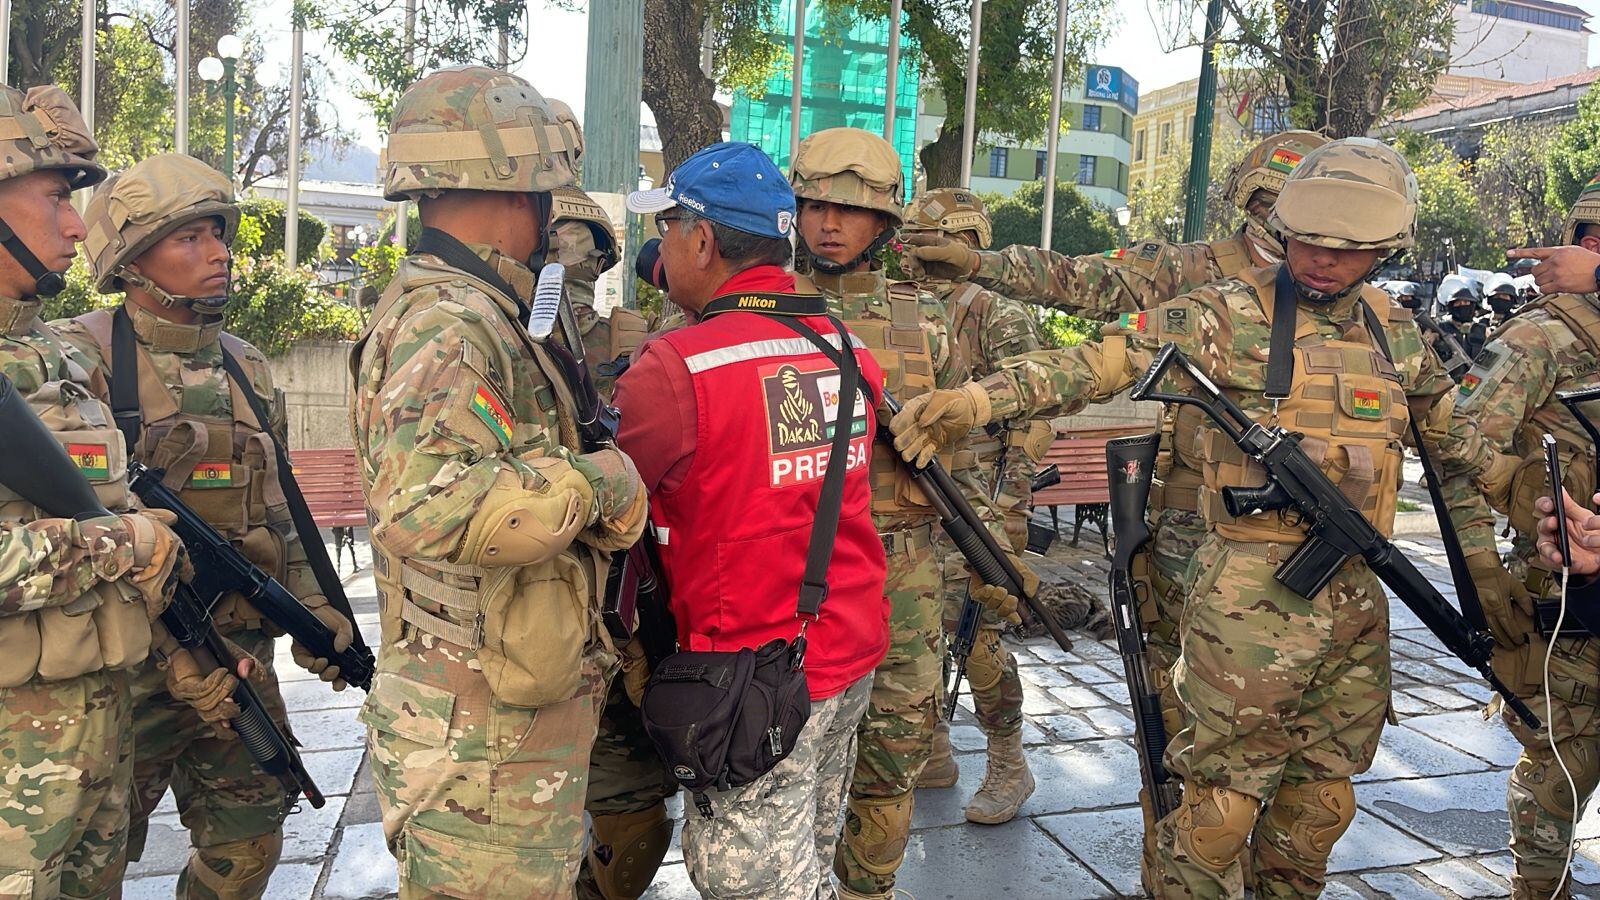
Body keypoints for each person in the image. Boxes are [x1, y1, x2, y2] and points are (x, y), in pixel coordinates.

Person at [890, 137, 1457, 897]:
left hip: (1354, 600)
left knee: (1319, 806)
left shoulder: (1393, 328)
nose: (1322, 258)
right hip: (1238, 585)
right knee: (1212, 805)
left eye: (1349, 247)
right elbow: (1101, 355)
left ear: (1387, 246)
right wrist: (978, 402)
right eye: (1306, 235)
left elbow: (1465, 449)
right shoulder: (1222, 303)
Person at [350, 67, 647, 899]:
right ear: (526, 188)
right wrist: (598, 483)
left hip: (502, 705)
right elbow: (427, 504)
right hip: (477, 732)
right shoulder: (450, 322)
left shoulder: (481, 309)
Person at [63, 150, 357, 899]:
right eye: (190, 237)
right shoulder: (78, 359)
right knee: (84, 868)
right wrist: (175, 660)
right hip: (126, 672)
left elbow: (280, 505)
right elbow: (76, 529)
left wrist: (318, 610)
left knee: (249, 847)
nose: (220, 253)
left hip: (238, 662)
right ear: (131, 262)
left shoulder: (245, 366)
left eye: (219, 234)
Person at [613, 139, 889, 900]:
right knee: (808, 849)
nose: (659, 246)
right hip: (847, 650)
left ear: (701, 240)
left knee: (749, 881)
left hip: (750, 679)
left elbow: (606, 498)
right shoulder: (845, 348)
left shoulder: (675, 369)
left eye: (668, 227)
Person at [788, 126, 1026, 900]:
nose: (830, 223)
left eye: (851, 210)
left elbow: (973, 434)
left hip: (907, 567)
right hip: (793, 570)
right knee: (783, 753)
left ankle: (869, 888)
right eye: (816, 205)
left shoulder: (929, 319)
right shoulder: (760, 307)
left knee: (895, 749)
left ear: (885, 223)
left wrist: (994, 536)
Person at [0, 83, 203, 899]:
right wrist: (122, 544)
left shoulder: (55, 353)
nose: (79, 225)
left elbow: (100, 497)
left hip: (93, 754)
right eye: (55, 199)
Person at [1435, 174, 1600, 899]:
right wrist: (1480, 568)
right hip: (1571, 592)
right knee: (1562, 758)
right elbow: (1457, 447)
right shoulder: (1540, 334)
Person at [899, 187, 1047, 825]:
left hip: (975, 498)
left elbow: (1033, 422)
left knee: (978, 638)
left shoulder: (995, 313)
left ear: (974, 244)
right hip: (909, 492)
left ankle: (1009, 760)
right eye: (921, 240)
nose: (930, 254)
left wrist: (1010, 514)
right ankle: (932, 746)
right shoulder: (895, 306)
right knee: (913, 630)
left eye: (947, 240)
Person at [897, 129, 1329, 317]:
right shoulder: (1192, 271)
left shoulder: (1371, 314)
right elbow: (1073, 279)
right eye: (1267, 202)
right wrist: (977, 264)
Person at [1439, 274, 1490, 359]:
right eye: (1458, 302)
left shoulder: (1484, 331)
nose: (1462, 305)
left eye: (1466, 302)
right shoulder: (1441, 328)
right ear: (1451, 306)